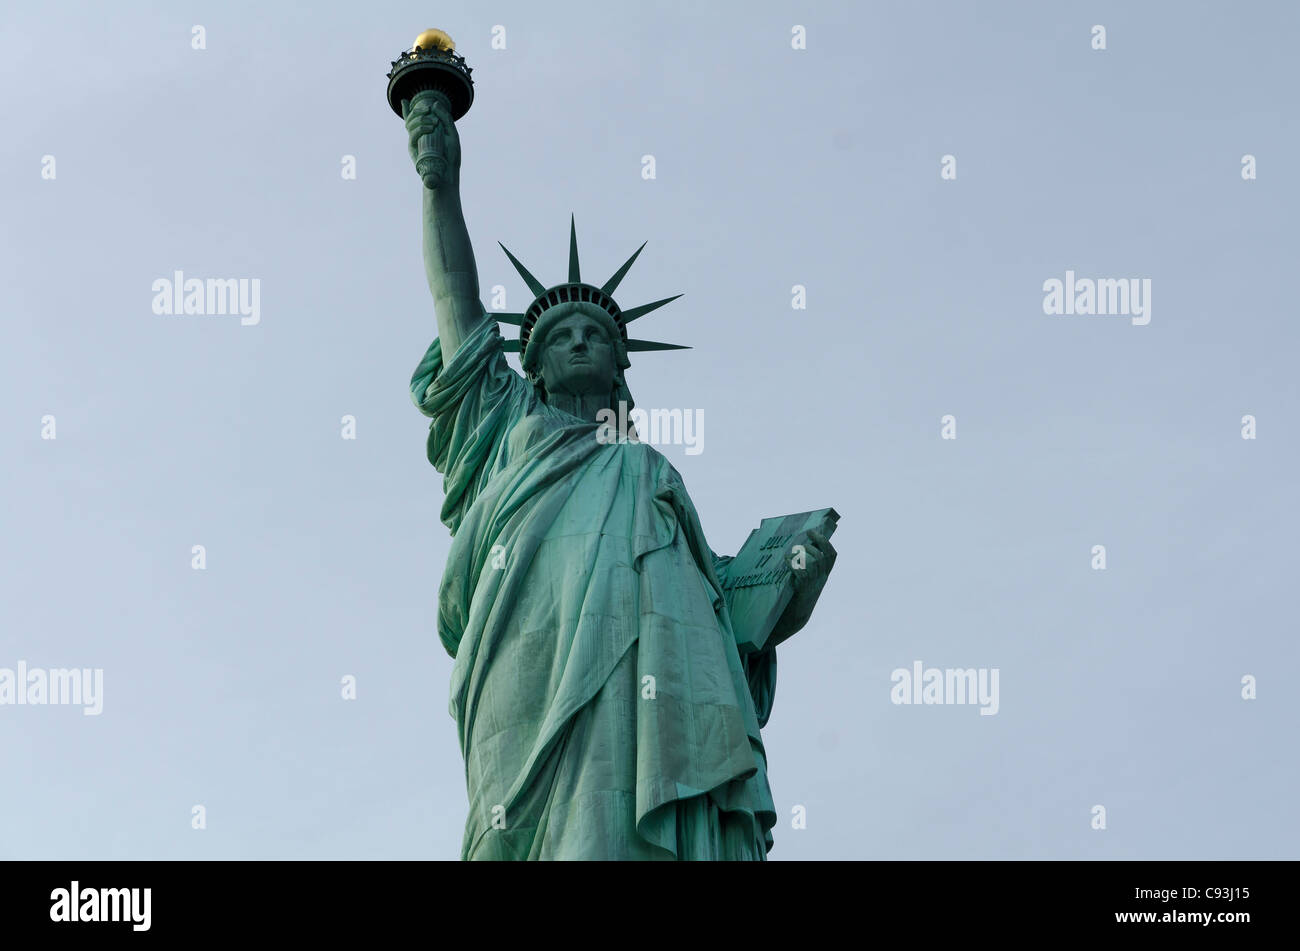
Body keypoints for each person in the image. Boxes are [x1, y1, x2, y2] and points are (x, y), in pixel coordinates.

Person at [403, 95, 834, 859]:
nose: (576, 341)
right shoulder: (504, 428)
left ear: (618, 364)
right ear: (528, 365)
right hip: (526, 673)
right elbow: (456, 306)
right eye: (560, 334)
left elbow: (714, 610)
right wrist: (440, 186)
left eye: (592, 335)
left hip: (651, 701)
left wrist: (783, 579)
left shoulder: (646, 470)